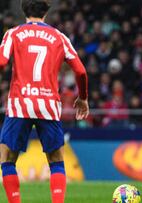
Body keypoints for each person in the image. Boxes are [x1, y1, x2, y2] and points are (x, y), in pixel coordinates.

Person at [0, 1, 89, 203]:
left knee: (7, 159)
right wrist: (83, 97)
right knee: (56, 161)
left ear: (23, 9)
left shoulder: (13, 34)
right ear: (47, 11)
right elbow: (81, 71)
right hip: (48, 105)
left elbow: (2, 62)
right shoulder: (60, 37)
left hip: (20, 104)